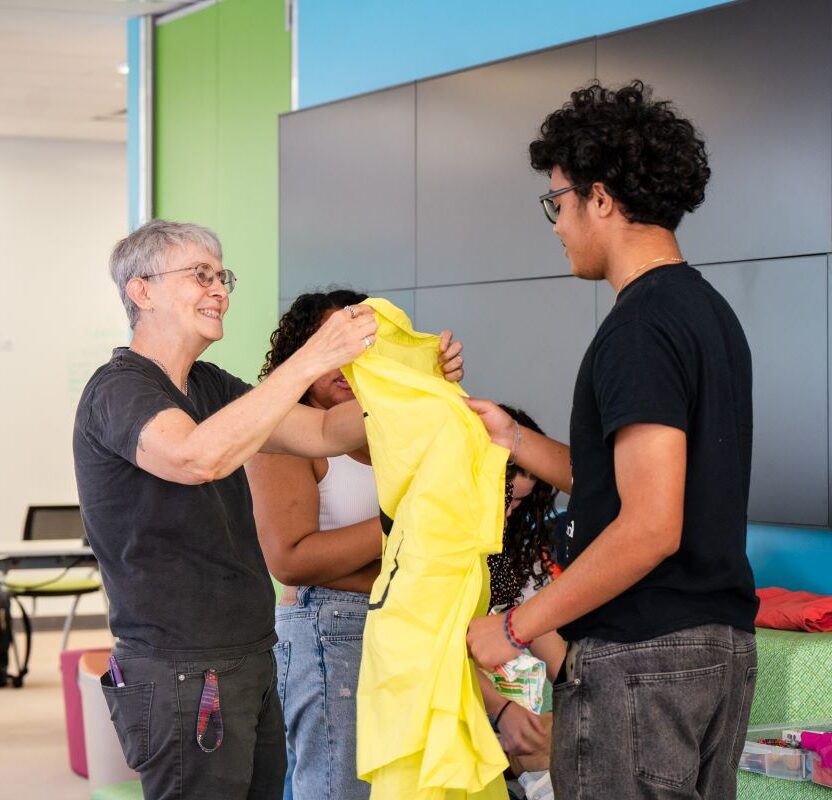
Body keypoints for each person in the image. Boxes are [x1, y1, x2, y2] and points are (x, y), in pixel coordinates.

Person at [466, 81, 758, 800]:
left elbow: (650, 526)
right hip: (715, 650)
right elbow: (631, 484)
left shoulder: (638, 327)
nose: (557, 224)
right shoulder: (706, 313)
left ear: (600, 198)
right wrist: (512, 437)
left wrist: (515, 624)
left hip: (644, 658)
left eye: (557, 202)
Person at [73, 220, 380, 800]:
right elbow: (195, 457)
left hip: (250, 656)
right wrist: (312, 359)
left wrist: (415, 383)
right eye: (200, 275)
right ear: (141, 291)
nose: (220, 290)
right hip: (179, 668)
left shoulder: (211, 385)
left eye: (222, 276)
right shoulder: (119, 390)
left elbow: (320, 430)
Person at [246, 290, 464, 800]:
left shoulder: (392, 425)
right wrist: (398, 525)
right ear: (301, 353)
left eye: (364, 345)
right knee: (339, 789)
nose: (349, 361)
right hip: (334, 630)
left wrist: (432, 386)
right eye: (333, 345)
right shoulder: (280, 432)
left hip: (409, 627)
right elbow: (292, 560)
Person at [476, 406, 565, 764]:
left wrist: (583, 691)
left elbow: (545, 638)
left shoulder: (514, 556)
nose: (509, 512)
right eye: (506, 497)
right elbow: (436, 657)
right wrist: (502, 711)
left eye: (520, 503)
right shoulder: (437, 551)